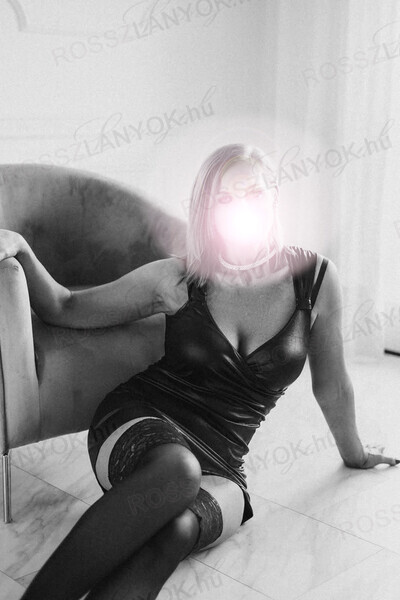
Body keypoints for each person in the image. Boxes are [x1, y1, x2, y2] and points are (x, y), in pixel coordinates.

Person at [1, 143, 397, 600]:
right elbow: (65, 307)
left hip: (225, 459)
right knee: (178, 470)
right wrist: (22, 249)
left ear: (274, 196)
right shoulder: (182, 278)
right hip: (142, 422)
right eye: (225, 199)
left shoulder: (317, 280)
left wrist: (355, 454)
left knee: (178, 530)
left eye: (253, 192)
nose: (242, 206)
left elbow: (332, 387)